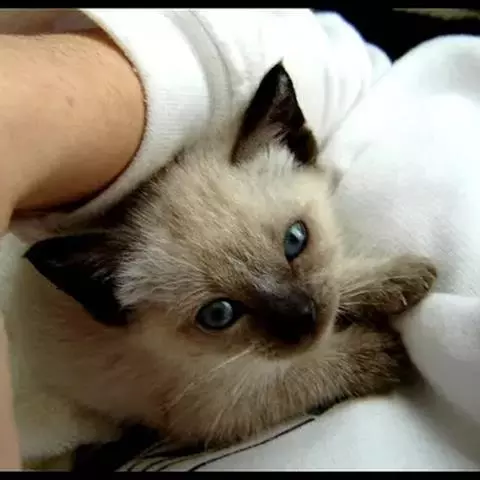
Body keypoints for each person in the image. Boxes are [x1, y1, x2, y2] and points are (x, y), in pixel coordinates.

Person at [0, 8, 479, 471]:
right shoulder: (163, 330)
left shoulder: (249, 153)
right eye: (219, 314)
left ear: (295, 150)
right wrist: (344, 366)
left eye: (296, 243)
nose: (298, 317)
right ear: (121, 310)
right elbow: (197, 418)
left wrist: (357, 284)